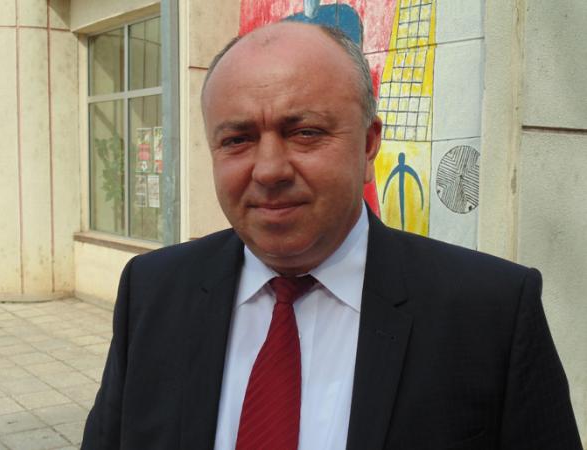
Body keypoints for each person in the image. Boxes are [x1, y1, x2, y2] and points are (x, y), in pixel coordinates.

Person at [82, 22, 582, 450]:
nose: (269, 170)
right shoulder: (152, 289)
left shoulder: (491, 311)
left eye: (305, 132)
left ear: (368, 145)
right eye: (238, 139)